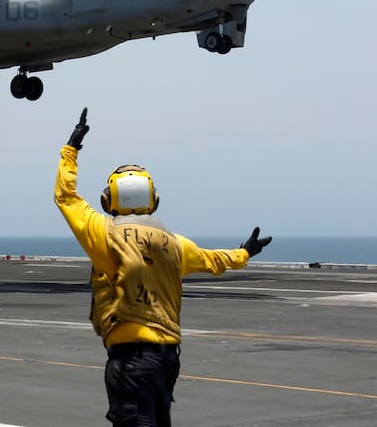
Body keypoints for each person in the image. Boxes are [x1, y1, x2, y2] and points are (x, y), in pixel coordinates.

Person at [54, 108, 272, 427]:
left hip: (132, 358)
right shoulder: (174, 244)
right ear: (153, 200)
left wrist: (71, 149)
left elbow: (66, 197)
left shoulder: (104, 234)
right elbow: (214, 261)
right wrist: (245, 253)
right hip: (167, 359)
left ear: (107, 200)